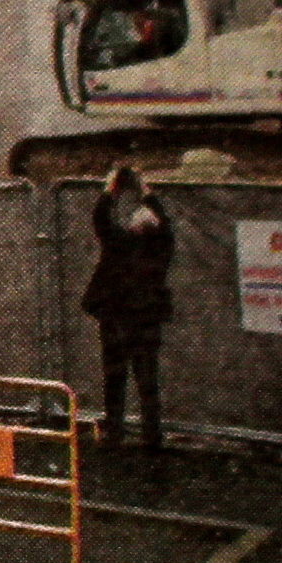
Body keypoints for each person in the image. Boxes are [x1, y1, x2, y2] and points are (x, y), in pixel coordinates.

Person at [81, 165, 175, 451]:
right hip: (146, 321)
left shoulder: (118, 244)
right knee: (147, 380)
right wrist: (147, 192)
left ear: (133, 226)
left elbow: (101, 219)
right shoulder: (160, 250)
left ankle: (114, 430)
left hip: (115, 319)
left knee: (114, 376)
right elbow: (167, 226)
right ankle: (152, 434)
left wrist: (112, 189)